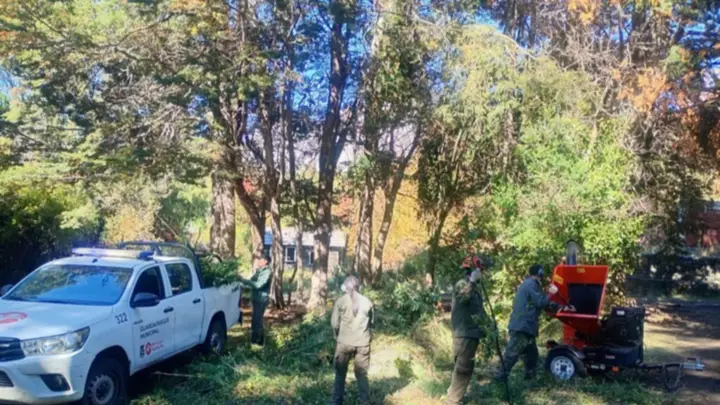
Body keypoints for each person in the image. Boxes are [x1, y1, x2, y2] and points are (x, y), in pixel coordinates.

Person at [495, 264, 573, 380]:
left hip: (527, 328)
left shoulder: (533, 285)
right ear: (540, 273)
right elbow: (541, 303)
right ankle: (499, 380)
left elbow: (544, 303)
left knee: (532, 357)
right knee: (511, 355)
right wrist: (551, 293)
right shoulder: (530, 284)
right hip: (522, 327)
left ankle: (529, 380)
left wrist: (563, 307)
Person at [445, 256, 487, 405]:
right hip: (465, 334)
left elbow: (478, 310)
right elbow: (463, 298)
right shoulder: (462, 284)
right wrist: (472, 281)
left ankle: (452, 395)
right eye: (480, 271)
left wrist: (488, 327)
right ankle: (453, 401)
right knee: (463, 369)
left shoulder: (474, 289)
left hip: (471, 333)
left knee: (462, 368)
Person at [331, 276, 374, 405]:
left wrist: (338, 336)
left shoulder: (340, 301)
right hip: (363, 344)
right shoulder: (367, 302)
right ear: (359, 287)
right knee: (362, 374)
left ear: (345, 287)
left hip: (344, 343)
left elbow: (334, 324)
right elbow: (371, 324)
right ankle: (365, 402)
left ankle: (337, 402)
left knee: (340, 374)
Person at [240, 257, 272, 346]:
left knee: (256, 322)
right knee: (258, 321)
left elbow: (258, 285)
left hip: (261, 300)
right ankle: (260, 342)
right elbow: (251, 282)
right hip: (256, 298)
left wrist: (243, 280)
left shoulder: (267, 272)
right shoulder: (259, 271)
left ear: (265, 261)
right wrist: (241, 284)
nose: (258, 262)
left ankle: (255, 343)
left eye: (260, 260)